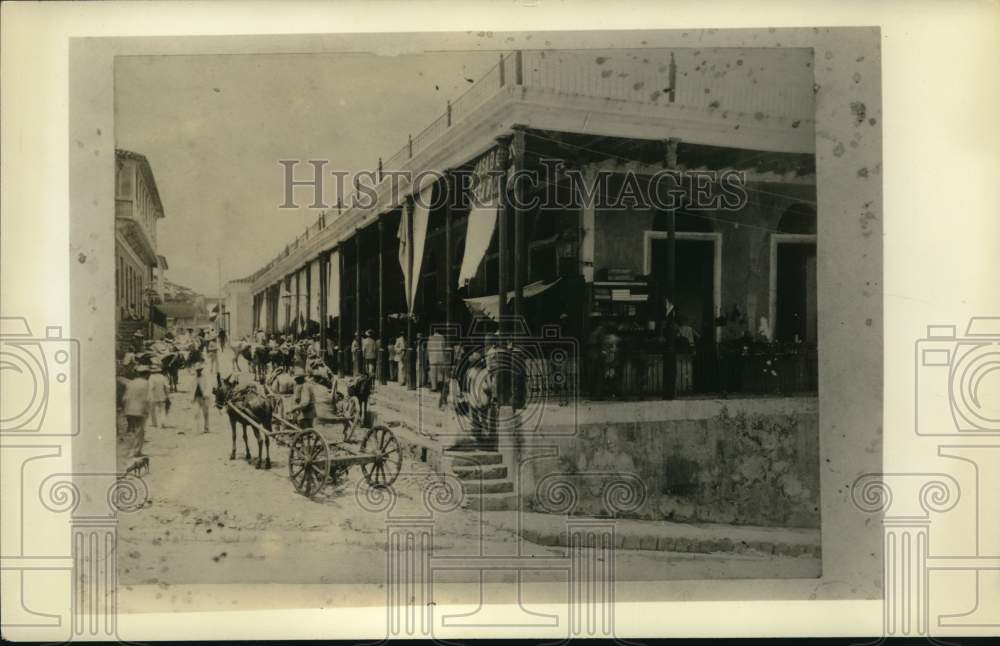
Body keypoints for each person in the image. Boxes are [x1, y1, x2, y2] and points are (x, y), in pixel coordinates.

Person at [123, 366, 151, 457]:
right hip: (140, 409)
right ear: (146, 374)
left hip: (129, 409)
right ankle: (136, 451)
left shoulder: (130, 383)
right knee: (140, 431)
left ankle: (130, 450)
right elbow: (149, 398)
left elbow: (125, 398)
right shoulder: (146, 383)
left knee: (131, 430)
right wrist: (148, 409)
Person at [191, 364, 211, 433]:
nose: (198, 372)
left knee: (205, 414)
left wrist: (206, 394)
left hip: (204, 398)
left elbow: (208, 387)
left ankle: (206, 428)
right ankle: (196, 429)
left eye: (199, 370)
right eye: (197, 371)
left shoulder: (205, 378)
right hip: (196, 398)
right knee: (196, 413)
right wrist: (191, 397)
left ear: (201, 371)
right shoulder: (194, 378)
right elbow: (192, 388)